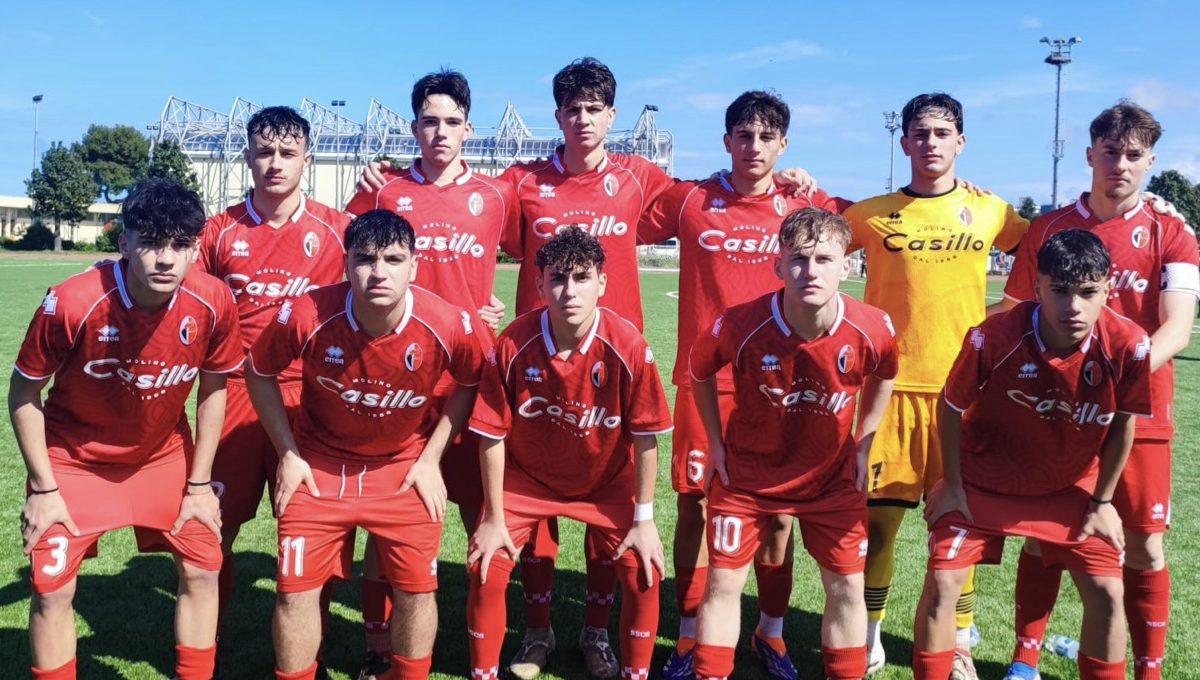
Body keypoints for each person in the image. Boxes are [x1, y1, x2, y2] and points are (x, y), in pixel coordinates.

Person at [637, 90, 847, 680]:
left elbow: (871, 223)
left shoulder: (803, 204)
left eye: (766, 137)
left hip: (783, 389)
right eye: (743, 135)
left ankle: (770, 633)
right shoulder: (692, 199)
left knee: (779, 514)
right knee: (695, 506)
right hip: (705, 383)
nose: (754, 147)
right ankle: (687, 635)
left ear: (784, 145)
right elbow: (618, 218)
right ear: (727, 140)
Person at [996, 101, 1199, 680]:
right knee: (1042, 539)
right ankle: (1025, 661)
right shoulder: (1050, 229)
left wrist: (1118, 379)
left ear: (1151, 161)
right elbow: (1013, 314)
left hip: (1141, 414)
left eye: (1134, 154)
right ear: (1090, 155)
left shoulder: (1172, 231)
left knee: (1144, 545)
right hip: (1056, 412)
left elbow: (1177, 328)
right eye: (1111, 152)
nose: (1121, 164)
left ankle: (1149, 670)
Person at [12, 178, 244, 680]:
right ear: (124, 243)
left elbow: (214, 388)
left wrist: (200, 485)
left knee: (204, 568)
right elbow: (23, 394)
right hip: (73, 461)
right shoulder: (71, 302)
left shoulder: (214, 300)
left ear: (196, 249)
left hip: (162, 456)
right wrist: (44, 489)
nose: (165, 259)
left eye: (180, 245)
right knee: (51, 590)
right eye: (151, 243)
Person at [245, 210, 483, 680]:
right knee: (294, 591)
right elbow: (258, 371)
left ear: (414, 265)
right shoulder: (307, 313)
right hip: (319, 465)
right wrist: (289, 453)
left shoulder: (448, 321)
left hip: (403, 466)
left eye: (393, 259)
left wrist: (431, 457)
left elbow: (472, 380)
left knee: (417, 591)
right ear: (346, 265)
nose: (379, 272)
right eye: (365, 259)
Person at [841, 92, 1029, 677]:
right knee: (878, 526)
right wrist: (799, 184)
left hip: (963, 397)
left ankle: (960, 644)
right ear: (904, 142)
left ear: (961, 142)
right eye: (920, 133)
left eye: (942, 133)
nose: (930, 142)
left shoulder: (991, 210)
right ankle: (869, 637)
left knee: (959, 528)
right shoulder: (872, 213)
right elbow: (812, 239)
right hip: (891, 393)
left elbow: (1047, 243)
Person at [914, 229, 1152, 680]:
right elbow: (950, 407)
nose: (1073, 306)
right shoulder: (993, 336)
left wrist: (1102, 502)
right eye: (1059, 291)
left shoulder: (1129, 344)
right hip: (984, 481)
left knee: (1107, 592)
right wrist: (953, 484)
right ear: (1038, 287)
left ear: (1108, 288)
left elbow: (1124, 423)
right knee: (944, 582)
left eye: (1087, 292)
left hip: (1070, 487)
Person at [344, 69, 519, 679]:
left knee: (482, 514)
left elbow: (542, 253)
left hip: (472, 375)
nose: (440, 132)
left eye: (452, 122)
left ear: (469, 128)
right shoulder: (384, 190)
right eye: (429, 121)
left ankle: (482, 654)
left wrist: (497, 308)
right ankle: (378, 646)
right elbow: (348, 262)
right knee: (387, 518)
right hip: (398, 379)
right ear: (413, 127)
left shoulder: (497, 195)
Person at [689, 207, 898, 680]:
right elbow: (699, 371)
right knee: (723, 582)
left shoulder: (872, 326)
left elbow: (885, 373)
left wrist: (864, 442)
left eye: (824, 259)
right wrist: (715, 444)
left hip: (831, 480)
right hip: (747, 477)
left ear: (847, 266)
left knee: (847, 587)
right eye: (799, 259)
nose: (811, 271)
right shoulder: (740, 324)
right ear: (779, 265)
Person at [465, 226, 672, 680]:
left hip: (606, 479)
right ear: (540, 286)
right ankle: (531, 640)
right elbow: (492, 435)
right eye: (558, 278)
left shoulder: (628, 345)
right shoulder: (513, 343)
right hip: (528, 479)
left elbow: (646, 437)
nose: (570, 290)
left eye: (582, 277)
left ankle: (599, 640)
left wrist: (644, 520)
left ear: (602, 283)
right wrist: (494, 518)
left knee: (644, 567)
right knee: (486, 563)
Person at [196, 105, 351, 667]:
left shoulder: (339, 229)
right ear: (247, 157)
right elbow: (192, 303)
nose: (276, 163)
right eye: (265, 152)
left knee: (313, 532)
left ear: (307, 159)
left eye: (288, 152)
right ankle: (204, 643)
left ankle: (312, 648)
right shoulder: (219, 231)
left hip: (310, 398)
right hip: (235, 394)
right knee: (213, 527)